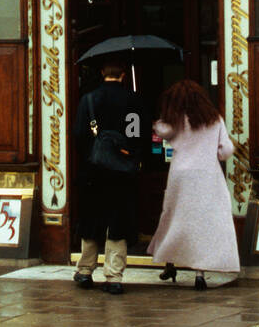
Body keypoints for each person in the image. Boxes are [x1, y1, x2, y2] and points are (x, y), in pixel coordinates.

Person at [148, 79, 240, 290]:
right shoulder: (214, 119)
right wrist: (212, 153)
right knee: (205, 223)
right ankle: (200, 273)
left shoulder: (175, 119)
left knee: (174, 217)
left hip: (180, 175)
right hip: (208, 175)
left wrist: (159, 119)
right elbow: (225, 151)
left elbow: (161, 130)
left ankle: (169, 262)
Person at [73, 60, 147, 294]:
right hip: (122, 172)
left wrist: (90, 157)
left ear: (103, 72)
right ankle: (114, 276)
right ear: (123, 74)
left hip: (93, 170)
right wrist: (130, 157)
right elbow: (137, 135)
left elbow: (78, 135)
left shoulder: (89, 100)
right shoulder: (134, 100)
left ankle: (85, 271)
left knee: (91, 219)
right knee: (118, 221)